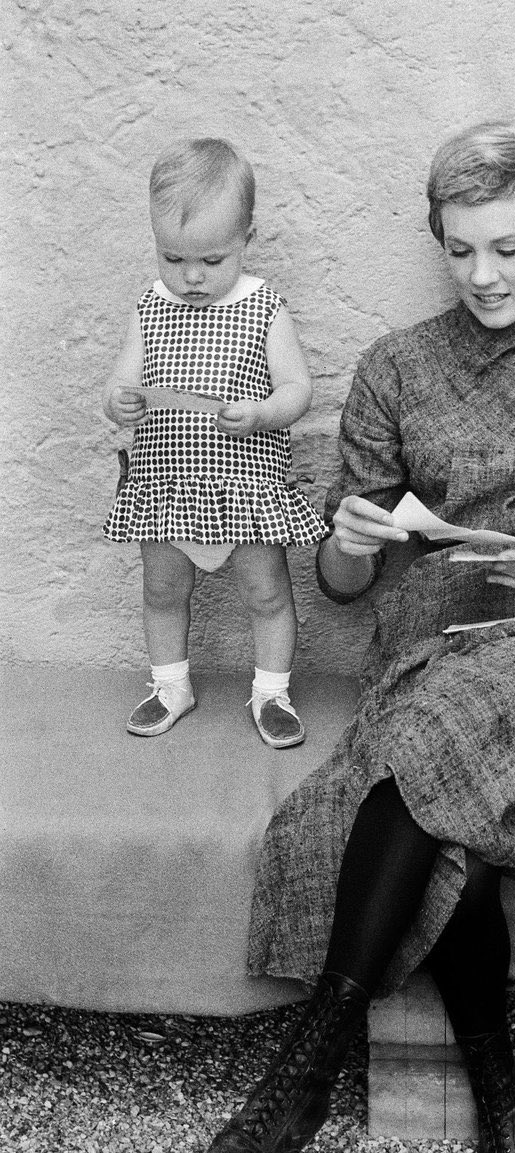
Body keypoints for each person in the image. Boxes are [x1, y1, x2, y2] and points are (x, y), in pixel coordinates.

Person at [197, 120, 515, 1153]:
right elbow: (342, 589)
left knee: (410, 763)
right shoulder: (395, 369)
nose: (481, 274)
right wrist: (345, 540)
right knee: (444, 802)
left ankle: (303, 1070)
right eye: (460, 247)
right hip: (430, 655)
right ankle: (500, 1084)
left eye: (506, 249)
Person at [103, 138, 326, 748]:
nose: (192, 276)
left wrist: (259, 413)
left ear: (247, 238)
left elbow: (298, 389)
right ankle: (171, 684)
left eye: (211, 258)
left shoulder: (263, 307)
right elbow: (125, 377)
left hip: (244, 486)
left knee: (268, 592)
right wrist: (118, 398)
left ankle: (271, 691)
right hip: (165, 487)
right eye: (172, 258)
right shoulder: (150, 305)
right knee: (161, 589)